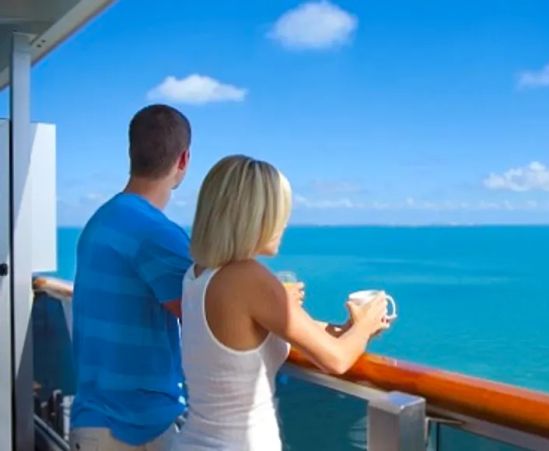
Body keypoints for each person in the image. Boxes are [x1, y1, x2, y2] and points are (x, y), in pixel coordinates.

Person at [174, 155, 390, 450]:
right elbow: (336, 360)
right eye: (279, 212)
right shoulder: (247, 277)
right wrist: (365, 324)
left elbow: (268, 333)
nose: (285, 223)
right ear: (254, 216)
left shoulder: (198, 275)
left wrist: (347, 329)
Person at [70, 104, 192, 451]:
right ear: (183, 160)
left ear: (131, 152)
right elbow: (209, 318)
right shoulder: (158, 234)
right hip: (135, 430)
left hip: (94, 420)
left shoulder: (100, 221)